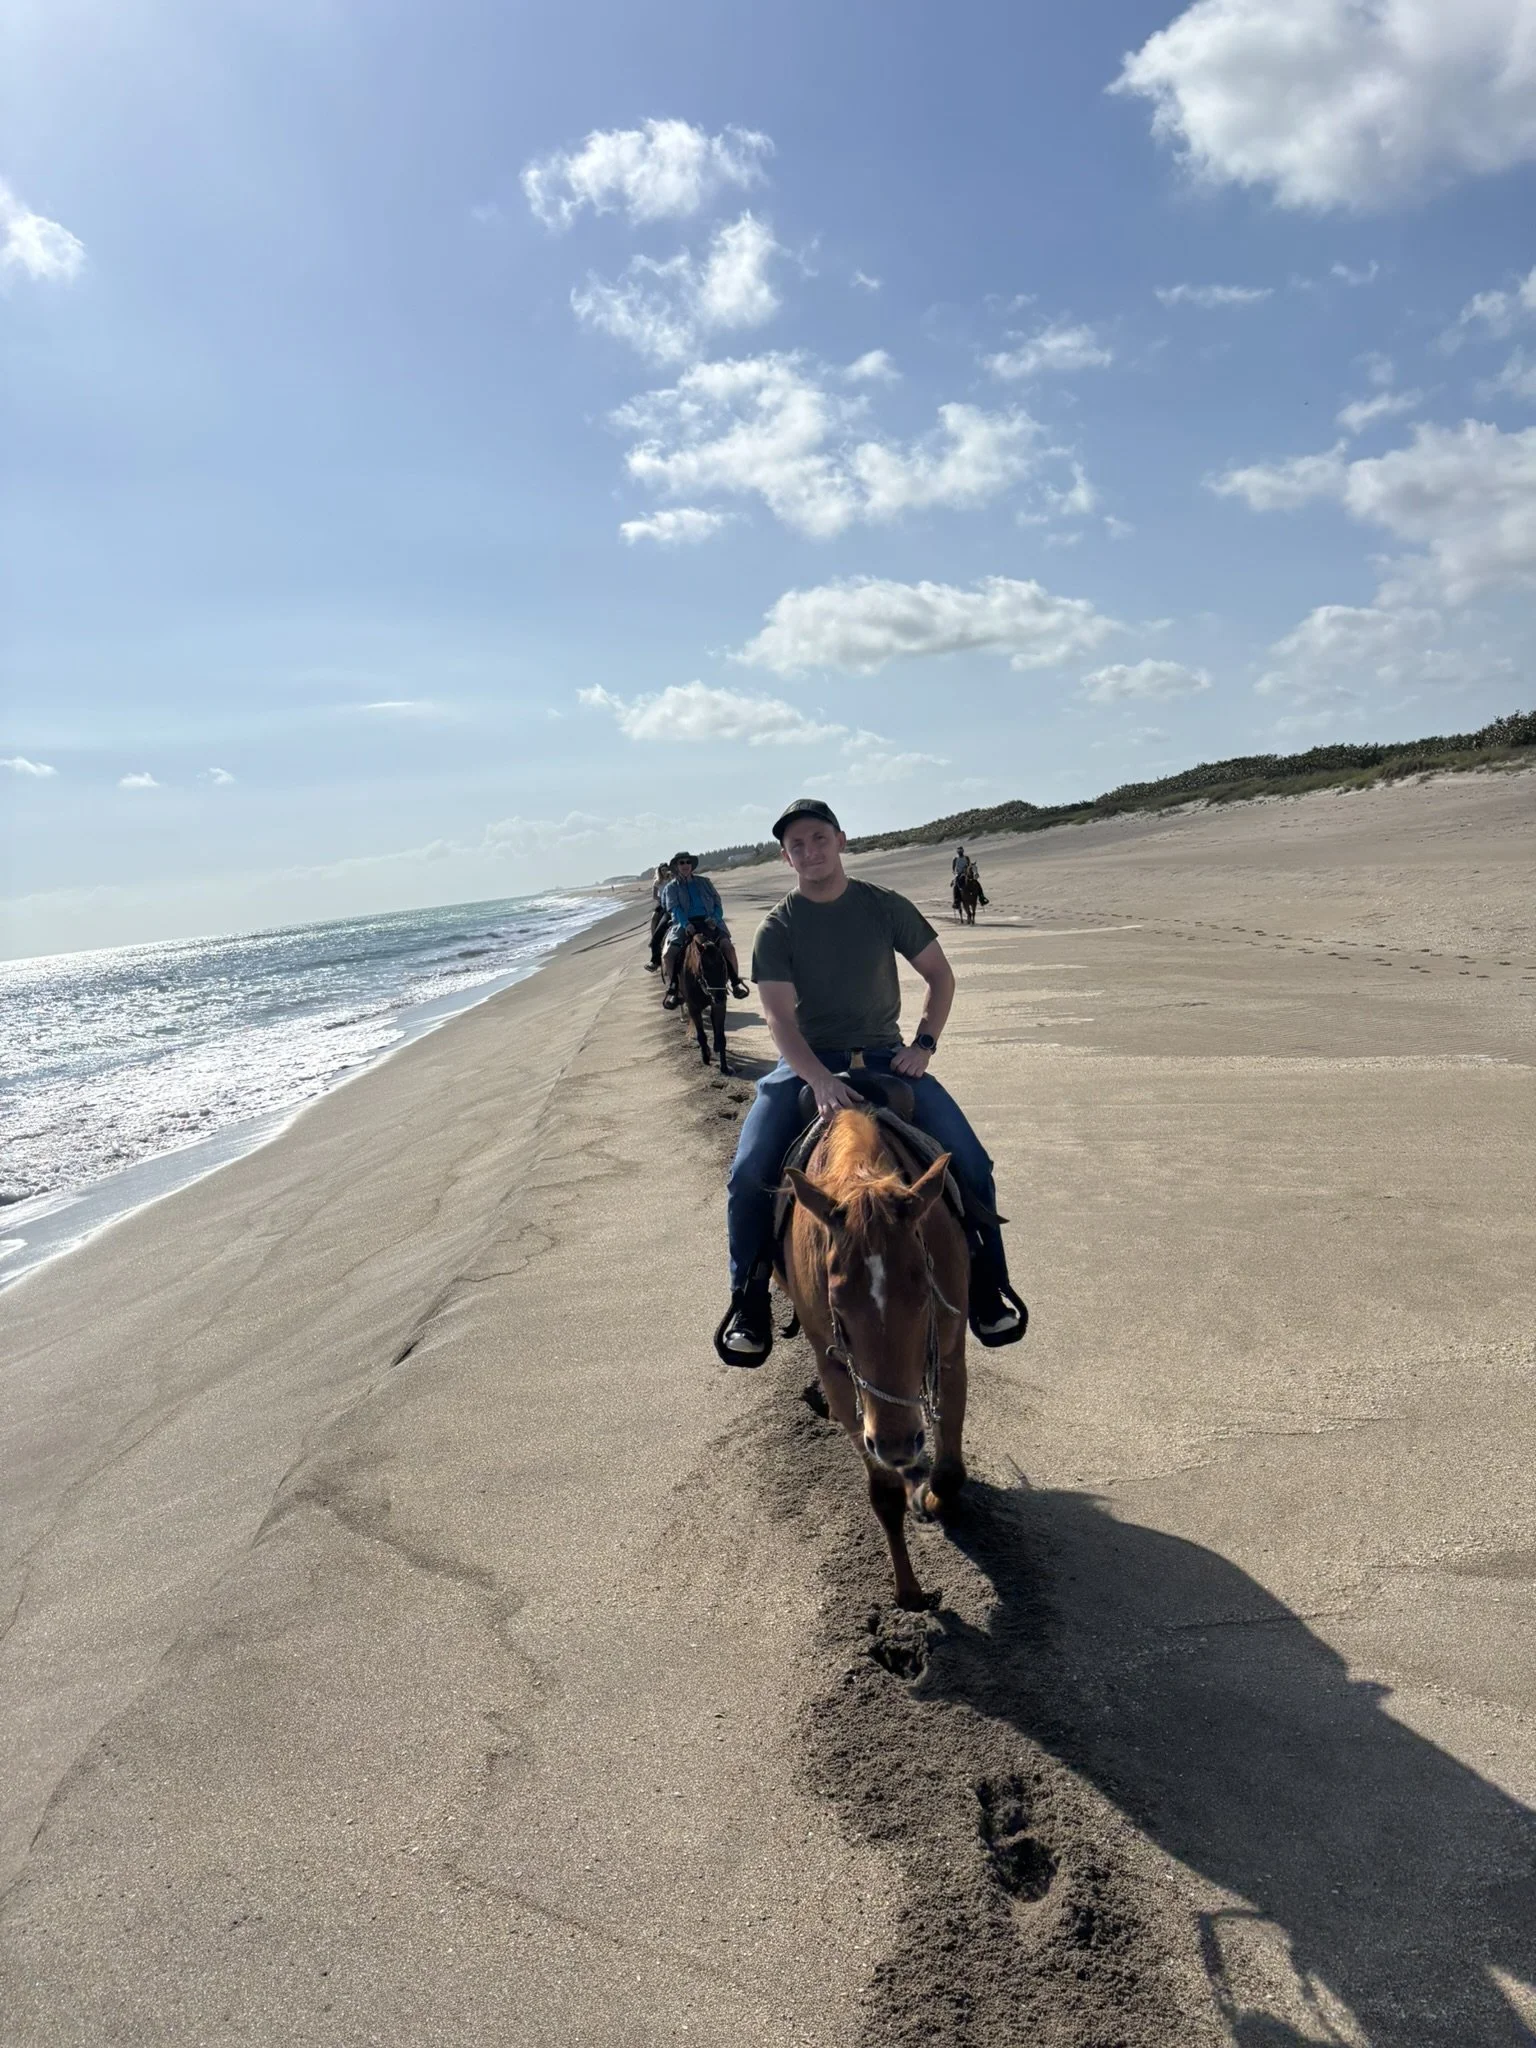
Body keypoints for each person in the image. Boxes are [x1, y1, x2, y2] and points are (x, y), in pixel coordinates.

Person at [716, 797, 1026, 1365]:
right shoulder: (777, 928)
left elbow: (939, 976)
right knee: (747, 1174)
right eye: (797, 846)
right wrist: (819, 1079)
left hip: (887, 1059)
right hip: (806, 1064)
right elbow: (779, 1019)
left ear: (840, 839)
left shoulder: (885, 907)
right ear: (787, 859)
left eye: (818, 838)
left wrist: (923, 1046)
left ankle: (988, 1287)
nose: (809, 851)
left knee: (973, 1163)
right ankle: (749, 1301)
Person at [659, 852, 750, 1008]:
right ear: (676, 866)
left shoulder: (704, 882)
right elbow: (674, 909)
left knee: (727, 947)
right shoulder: (671, 888)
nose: (685, 865)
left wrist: (714, 918)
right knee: (669, 954)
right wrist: (686, 924)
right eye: (681, 863)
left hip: (709, 922)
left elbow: (717, 903)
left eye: (688, 862)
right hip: (684, 924)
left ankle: (735, 983)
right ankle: (675, 989)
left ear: (692, 865)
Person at [646, 862, 673, 971]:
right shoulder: (657, 882)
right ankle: (655, 959)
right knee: (654, 918)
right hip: (663, 904)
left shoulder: (673, 879)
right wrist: (661, 900)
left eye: (666, 869)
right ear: (659, 871)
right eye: (662, 870)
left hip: (674, 904)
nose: (664, 872)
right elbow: (654, 896)